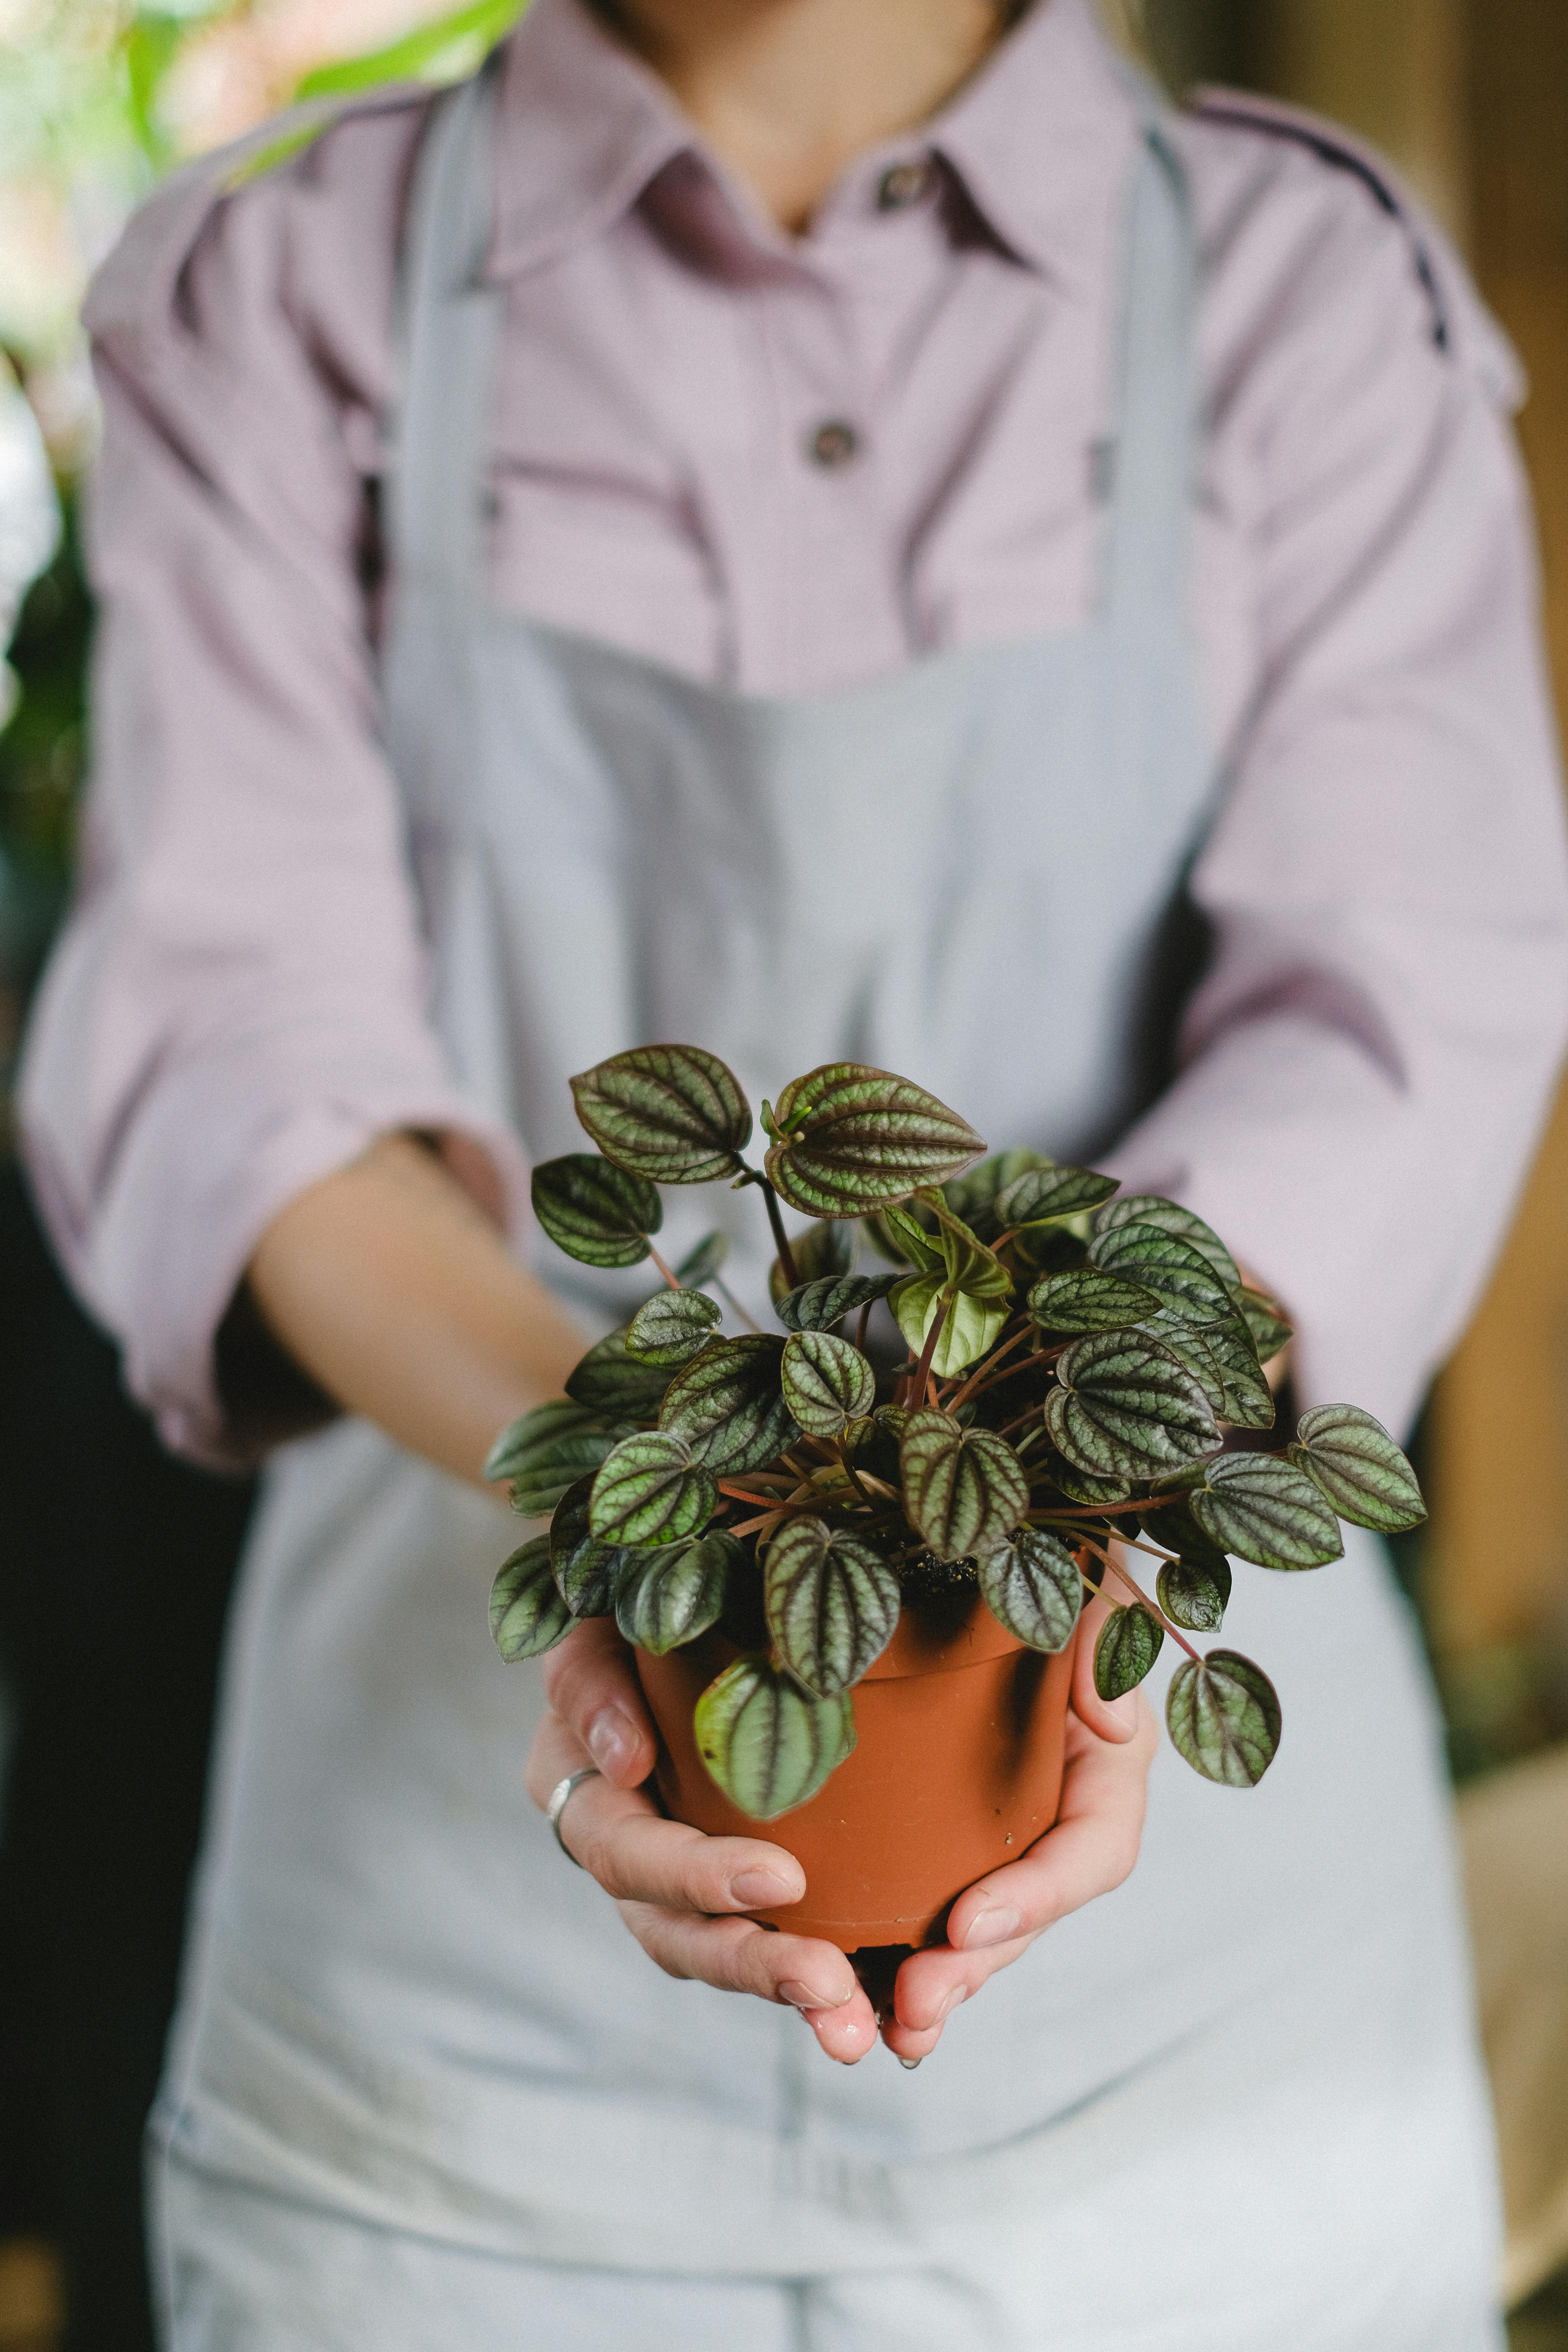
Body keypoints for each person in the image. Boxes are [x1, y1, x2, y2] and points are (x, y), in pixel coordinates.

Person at [18, 0, 1568, 2342]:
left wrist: (1041, 1525)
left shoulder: (1298, 285)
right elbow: (239, 1055)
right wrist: (654, 1507)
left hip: (1196, 2070)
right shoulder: (296, 277)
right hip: (455, 2079)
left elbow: (1396, 1038)